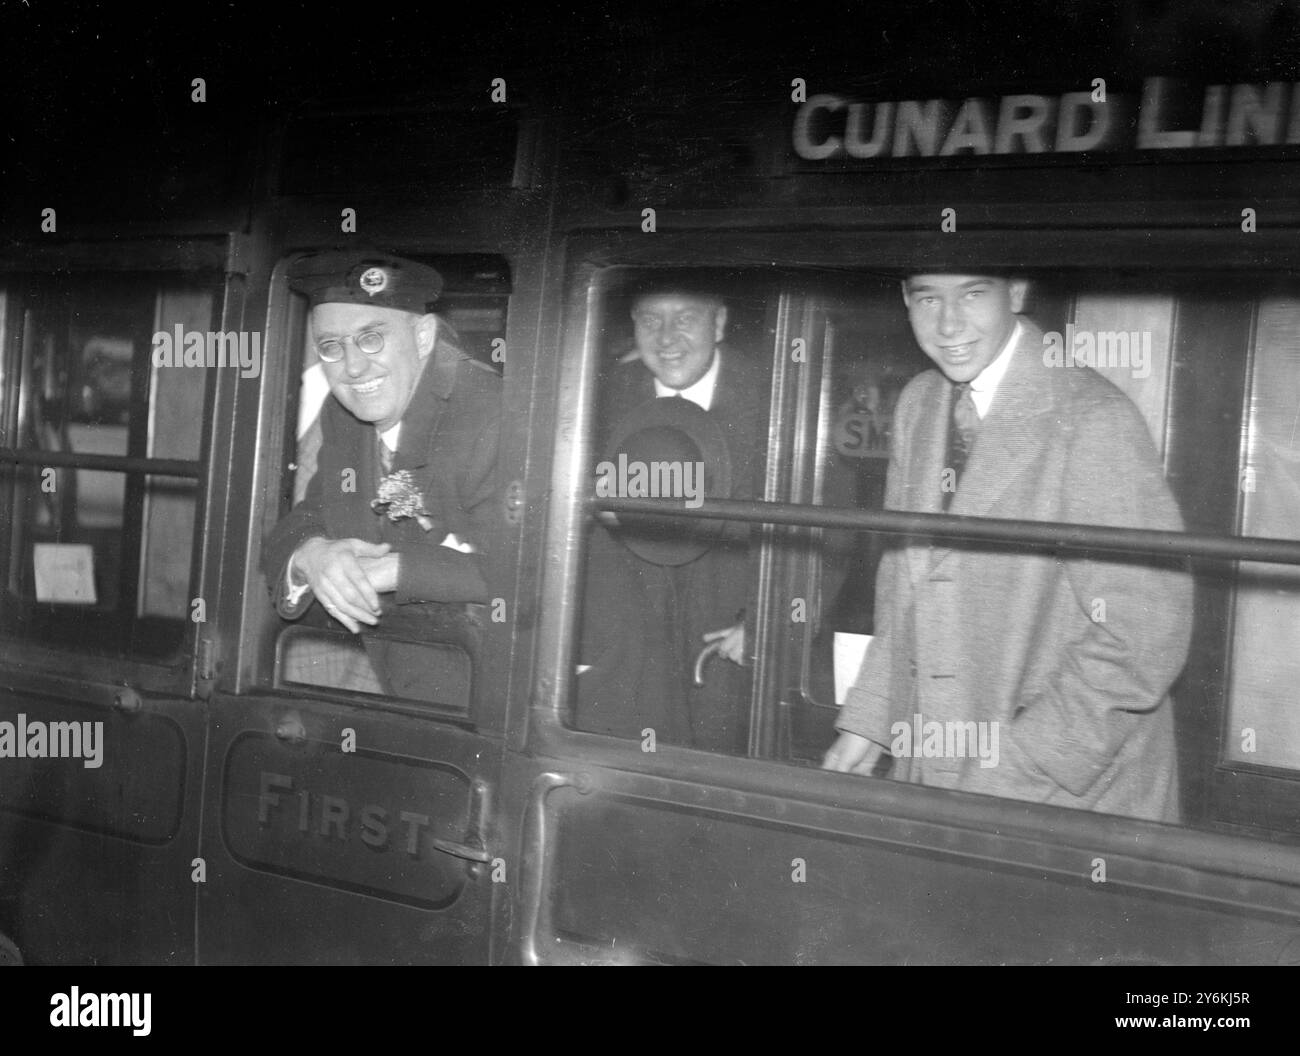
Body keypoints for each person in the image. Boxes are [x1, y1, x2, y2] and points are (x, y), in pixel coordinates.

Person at [823, 272, 1192, 823]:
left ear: (1017, 293)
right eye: (928, 298)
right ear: (905, 299)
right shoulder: (920, 404)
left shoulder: (1093, 416)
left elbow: (1144, 633)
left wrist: (1015, 766)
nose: (948, 323)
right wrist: (870, 720)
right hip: (940, 766)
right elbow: (906, 585)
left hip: (1069, 795)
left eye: (972, 294)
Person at [262, 250, 503, 699]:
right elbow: (310, 514)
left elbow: (525, 572)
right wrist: (313, 554)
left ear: (424, 336)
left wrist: (394, 569)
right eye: (331, 347)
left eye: (371, 338)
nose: (353, 368)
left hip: (487, 700)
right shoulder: (342, 413)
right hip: (392, 681)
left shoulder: (490, 414)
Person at [576, 287, 767, 752]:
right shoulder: (592, 399)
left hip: (727, 651)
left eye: (685, 318)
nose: (666, 338)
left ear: (719, 323)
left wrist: (768, 621)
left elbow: (829, 537)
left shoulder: (776, 398)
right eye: (650, 320)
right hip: (630, 651)